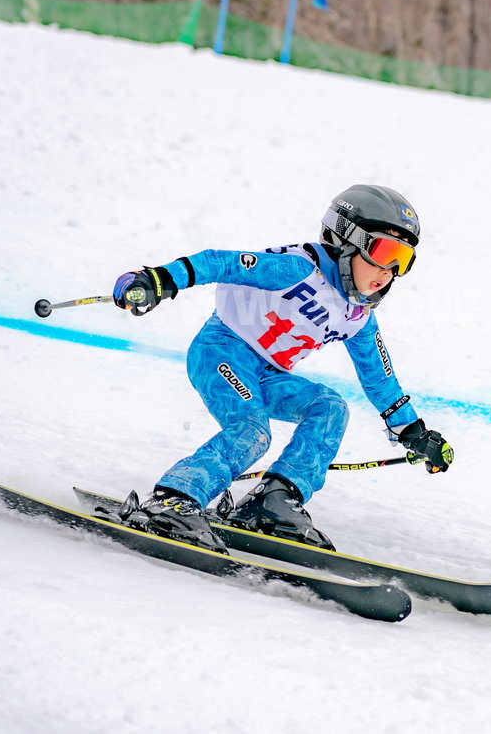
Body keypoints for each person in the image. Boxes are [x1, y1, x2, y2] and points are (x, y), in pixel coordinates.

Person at [108, 184, 453, 554]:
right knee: (252, 430)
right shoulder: (297, 269)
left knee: (329, 407)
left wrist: (414, 433)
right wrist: (158, 279)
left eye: (403, 259)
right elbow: (219, 262)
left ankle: (273, 500)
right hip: (222, 351)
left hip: (269, 374)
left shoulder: (358, 316)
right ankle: (174, 498)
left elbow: (380, 380)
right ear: (344, 239)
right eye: (384, 251)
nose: (389, 271)